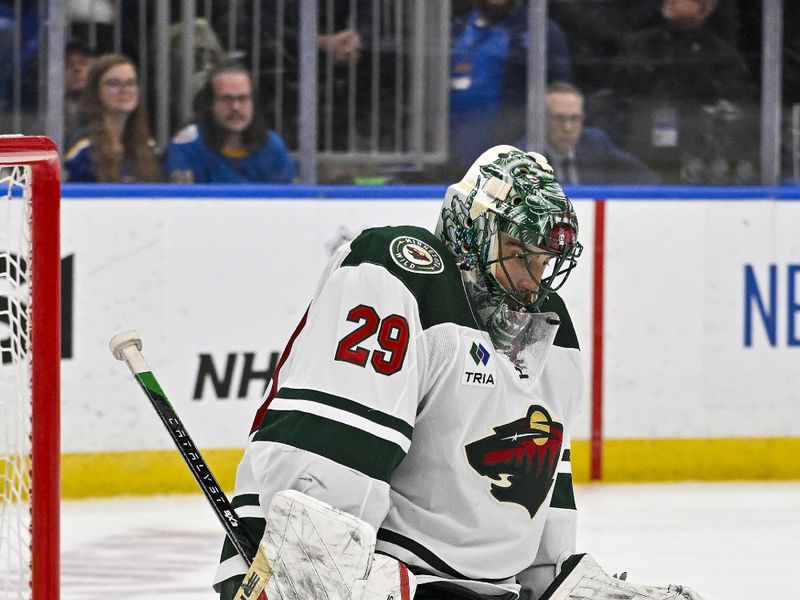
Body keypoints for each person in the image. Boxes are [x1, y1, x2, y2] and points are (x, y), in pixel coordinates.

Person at [214, 146, 585, 598]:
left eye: (544, 261)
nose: (532, 282)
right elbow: (331, 462)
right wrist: (303, 566)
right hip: (356, 573)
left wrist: (552, 580)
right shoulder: (406, 271)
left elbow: (539, 483)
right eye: (518, 253)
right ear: (471, 234)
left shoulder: (550, 327)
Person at [609, 0, 758, 183]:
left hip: (692, 157)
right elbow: (617, 93)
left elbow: (737, 107)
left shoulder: (720, 57)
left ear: (702, 10)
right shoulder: (639, 45)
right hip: (638, 146)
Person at [448, 0, 573, 176]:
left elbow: (563, 98)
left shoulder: (540, 33)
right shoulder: (456, 30)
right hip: (455, 159)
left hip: (513, 163)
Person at [163, 63, 295, 183]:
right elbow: (181, 201)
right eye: (226, 99)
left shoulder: (272, 146)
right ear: (209, 104)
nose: (236, 107)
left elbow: (291, 201)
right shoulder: (188, 146)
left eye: (243, 98)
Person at [64, 53, 162, 183]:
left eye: (130, 83)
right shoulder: (82, 151)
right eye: (113, 83)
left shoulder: (149, 148)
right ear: (96, 91)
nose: (124, 90)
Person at [538, 81, 659, 184]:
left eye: (574, 118)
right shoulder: (527, 155)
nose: (567, 127)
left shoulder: (596, 144)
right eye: (559, 118)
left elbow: (647, 178)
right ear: (543, 120)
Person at [64, 40, 96, 144]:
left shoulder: (107, 109)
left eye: (83, 63)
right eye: (68, 64)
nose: (76, 69)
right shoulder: (50, 113)